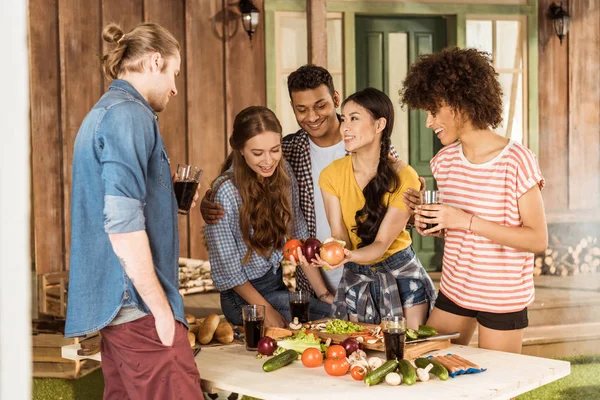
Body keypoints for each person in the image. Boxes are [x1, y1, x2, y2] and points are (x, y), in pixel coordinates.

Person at [64, 23, 202, 399]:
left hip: (119, 313)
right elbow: (122, 226)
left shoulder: (104, 112)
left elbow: (116, 204)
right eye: (174, 73)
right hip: (138, 308)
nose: (175, 88)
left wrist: (164, 195)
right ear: (155, 61)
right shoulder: (129, 115)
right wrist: (160, 309)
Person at [201, 65, 400, 303]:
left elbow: (398, 213)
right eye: (302, 109)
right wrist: (210, 201)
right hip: (313, 282)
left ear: (335, 99)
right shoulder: (288, 151)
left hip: (369, 275)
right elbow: (244, 169)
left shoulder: (373, 149)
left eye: (320, 105)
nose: (313, 117)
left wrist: (412, 200)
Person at [401, 48, 548, 353]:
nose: (428, 122)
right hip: (455, 289)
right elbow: (456, 229)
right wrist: (433, 222)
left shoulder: (517, 161)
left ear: (459, 104)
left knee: (496, 389)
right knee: (428, 365)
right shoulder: (444, 162)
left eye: (433, 110)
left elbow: (537, 239)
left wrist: (463, 220)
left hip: (502, 297)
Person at [316, 87, 436, 329]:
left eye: (354, 118)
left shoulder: (405, 176)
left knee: (408, 353)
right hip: (356, 276)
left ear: (379, 125)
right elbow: (339, 235)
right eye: (344, 119)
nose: (344, 127)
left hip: (401, 273)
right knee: (362, 354)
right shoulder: (331, 175)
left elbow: (382, 244)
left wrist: (349, 256)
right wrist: (337, 253)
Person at [204, 106, 332, 328]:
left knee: (333, 307)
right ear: (240, 149)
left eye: (275, 149)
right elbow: (229, 271)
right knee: (332, 315)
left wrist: (323, 293)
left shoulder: (283, 175)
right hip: (241, 298)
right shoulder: (225, 192)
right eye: (257, 153)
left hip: (276, 286)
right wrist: (267, 311)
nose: (268, 160)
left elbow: (298, 238)